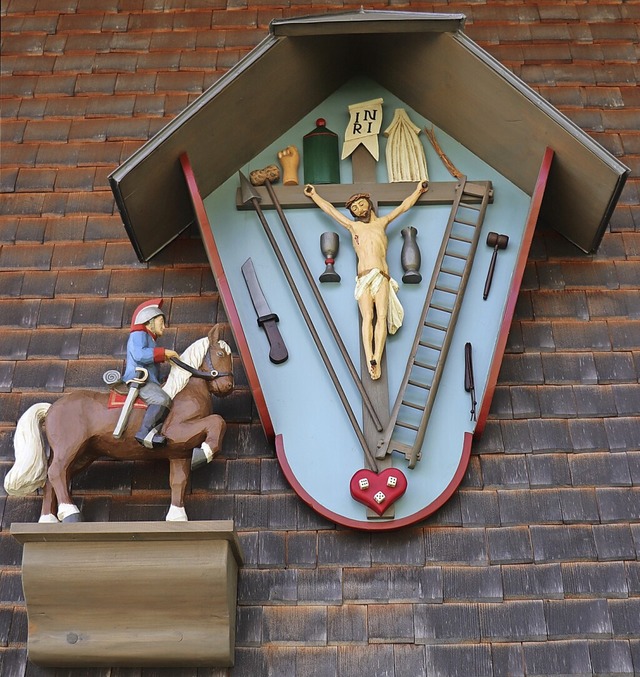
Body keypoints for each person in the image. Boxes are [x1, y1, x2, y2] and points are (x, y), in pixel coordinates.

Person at [304, 180, 428, 379]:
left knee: (381, 317)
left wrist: (418, 191)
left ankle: (376, 358)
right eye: (354, 208)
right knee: (367, 318)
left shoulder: (382, 223)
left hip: (381, 275)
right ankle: (369, 354)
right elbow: (330, 211)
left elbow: (404, 207)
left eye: (361, 204)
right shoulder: (353, 227)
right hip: (363, 278)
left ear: (369, 204)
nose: (358, 208)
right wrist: (313, 195)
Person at [123, 299, 179, 448]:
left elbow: (152, 370)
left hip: (148, 379)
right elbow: (139, 355)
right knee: (161, 399)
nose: (164, 327)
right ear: (150, 321)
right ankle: (145, 433)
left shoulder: (150, 340)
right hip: (139, 378)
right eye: (161, 322)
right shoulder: (139, 334)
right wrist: (164, 353)